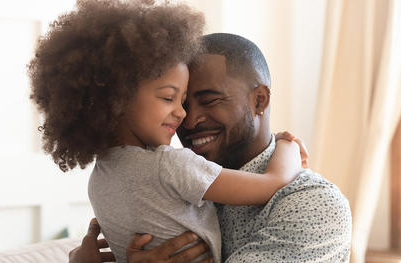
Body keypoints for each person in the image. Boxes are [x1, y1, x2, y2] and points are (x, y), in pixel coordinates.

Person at [29, 1, 306, 262]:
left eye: (182, 100)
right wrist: (288, 146)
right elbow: (274, 183)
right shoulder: (171, 165)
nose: (184, 113)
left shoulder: (99, 179)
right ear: (118, 99)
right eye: (168, 98)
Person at [70, 33, 352, 263]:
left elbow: (273, 184)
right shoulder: (159, 183)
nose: (188, 119)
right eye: (179, 102)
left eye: (210, 100)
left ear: (260, 101)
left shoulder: (313, 204)